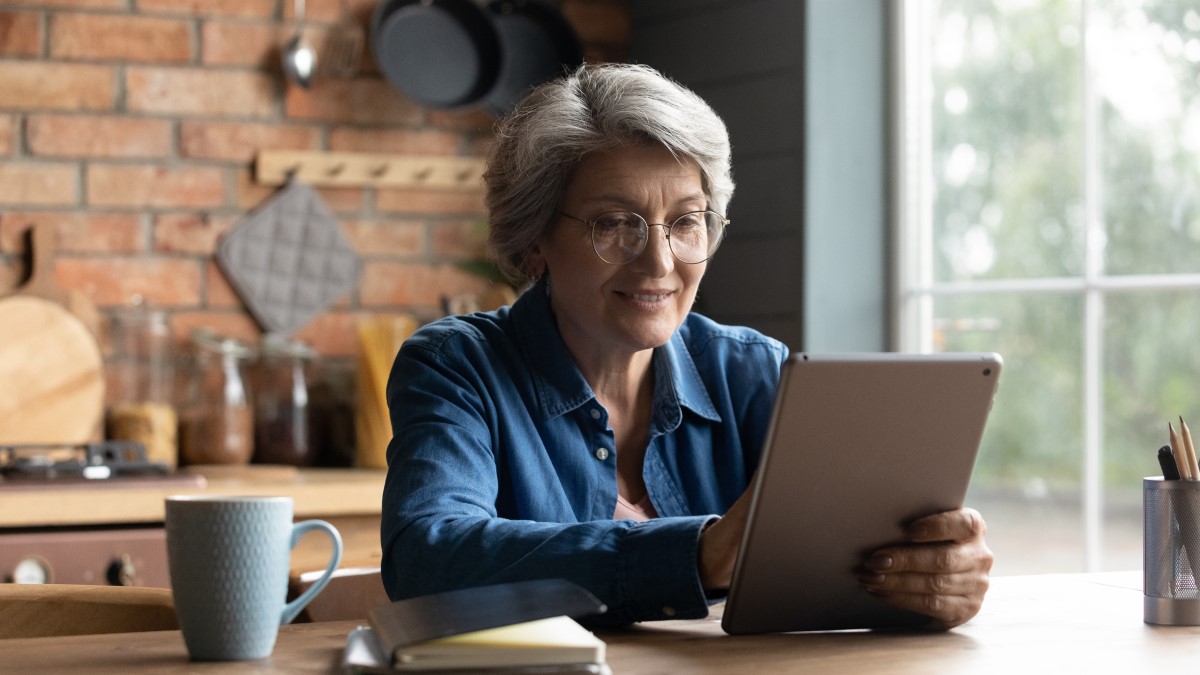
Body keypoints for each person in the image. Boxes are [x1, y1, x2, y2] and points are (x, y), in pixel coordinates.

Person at [381, 63, 992, 628]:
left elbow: (844, 580)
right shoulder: (458, 366)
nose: (659, 261)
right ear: (533, 237)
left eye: (686, 220)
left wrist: (930, 576)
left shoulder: (754, 372)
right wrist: (699, 554)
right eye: (614, 224)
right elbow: (428, 559)